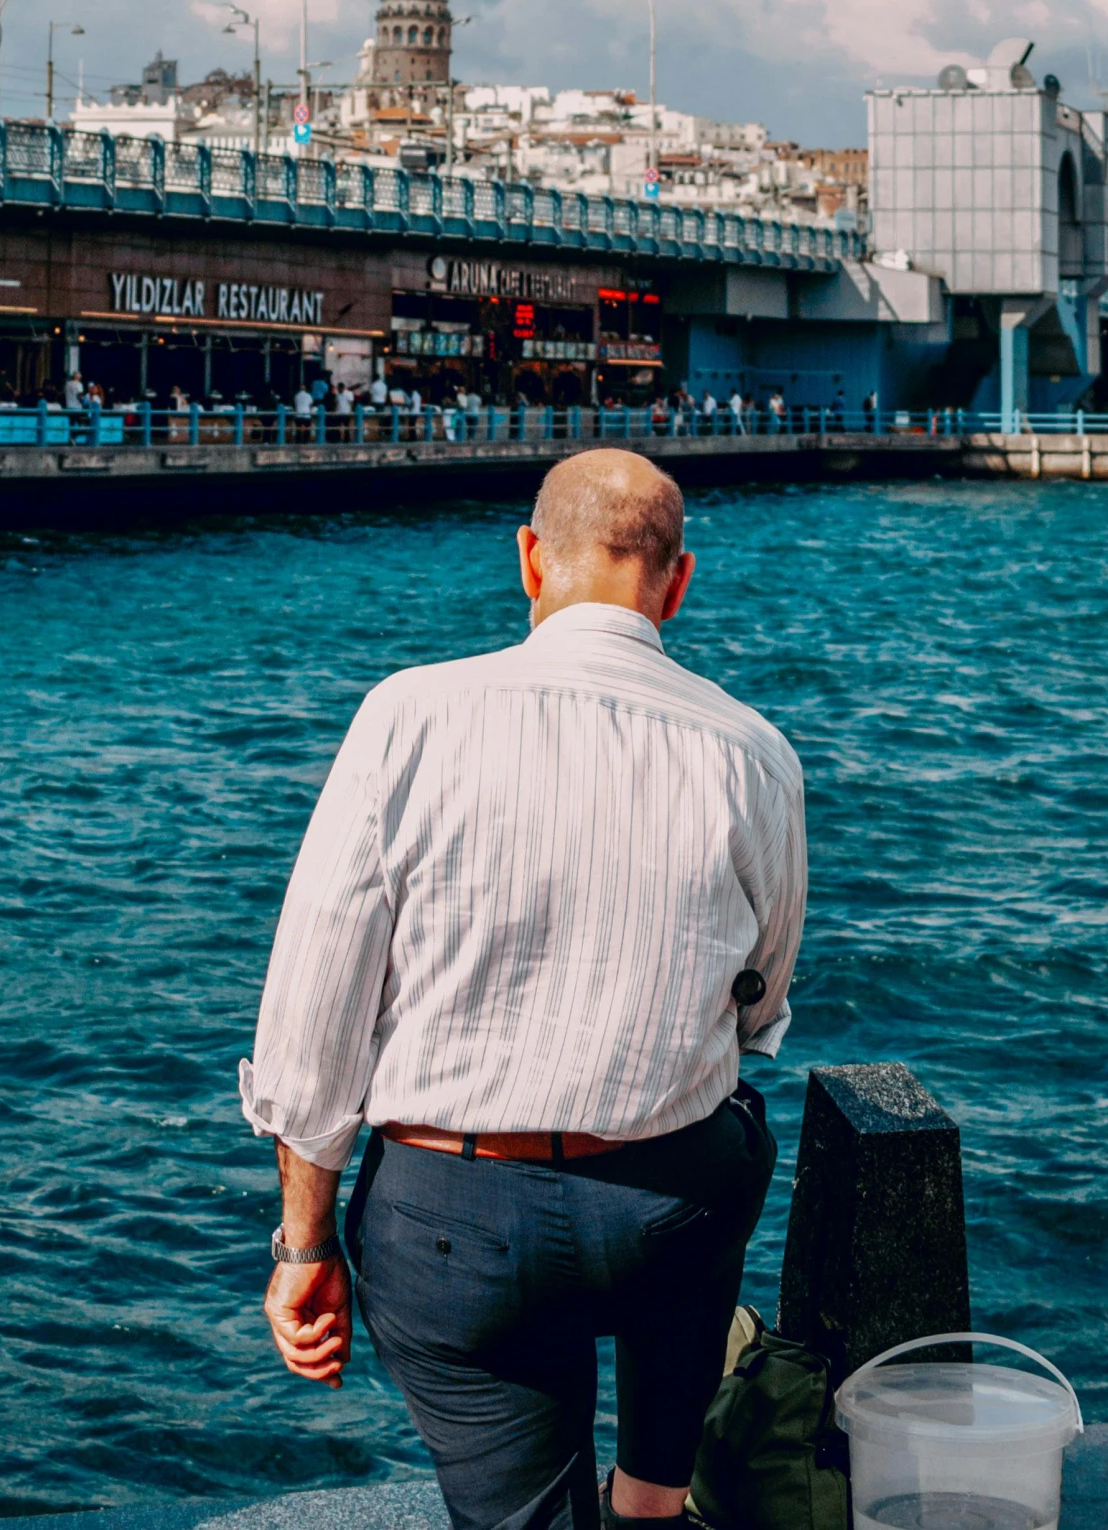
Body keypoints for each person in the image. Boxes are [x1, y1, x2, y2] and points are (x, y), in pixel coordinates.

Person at [242, 450, 805, 1530]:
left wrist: (304, 1249)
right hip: (667, 1211)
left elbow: (314, 1021)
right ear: (677, 582)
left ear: (530, 561)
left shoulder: (408, 716)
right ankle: (651, 1494)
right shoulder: (753, 751)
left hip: (456, 1221)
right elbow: (758, 1001)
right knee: (727, 1139)